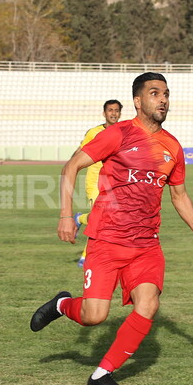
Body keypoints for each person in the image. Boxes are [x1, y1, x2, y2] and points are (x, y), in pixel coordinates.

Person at [30, 72, 193, 385]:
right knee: (94, 316)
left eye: (166, 94)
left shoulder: (172, 146)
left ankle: (102, 374)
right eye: (155, 93)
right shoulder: (118, 134)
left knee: (149, 304)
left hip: (146, 245)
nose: (163, 100)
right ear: (138, 101)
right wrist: (65, 216)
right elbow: (70, 167)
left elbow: (179, 195)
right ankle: (62, 305)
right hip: (107, 240)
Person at [74, 99, 123, 267]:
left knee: (109, 221)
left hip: (114, 183)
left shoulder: (124, 132)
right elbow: (79, 153)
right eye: (110, 110)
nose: (113, 113)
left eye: (116, 110)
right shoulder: (93, 132)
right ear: (104, 113)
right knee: (100, 218)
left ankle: (80, 219)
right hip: (95, 182)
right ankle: (86, 255)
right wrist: (71, 169)